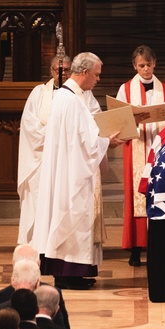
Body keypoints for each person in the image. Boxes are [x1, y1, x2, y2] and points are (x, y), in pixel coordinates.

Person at [24, 51, 124, 289]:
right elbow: (86, 142)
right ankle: (69, 273)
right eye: (97, 75)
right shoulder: (72, 101)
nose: (98, 80)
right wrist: (107, 142)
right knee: (73, 219)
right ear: (85, 72)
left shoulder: (66, 97)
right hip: (72, 174)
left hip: (67, 170)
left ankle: (71, 273)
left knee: (68, 221)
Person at [114, 44, 165, 268]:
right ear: (134, 66)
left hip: (160, 147)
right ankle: (136, 248)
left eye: (148, 65)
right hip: (137, 146)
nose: (145, 69)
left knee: (161, 194)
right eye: (141, 65)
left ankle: (159, 245)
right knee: (137, 197)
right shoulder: (125, 89)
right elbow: (117, 118)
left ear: (155, 63)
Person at [15, 52, 71, 249]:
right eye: (58, 70)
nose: (62, 74)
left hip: (66, 161)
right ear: (51, 71)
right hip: (41, 159)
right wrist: (55, 133)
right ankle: (36, 245)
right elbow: (29, 124)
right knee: (38, 201)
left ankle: (59, 245)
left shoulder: (79, 94)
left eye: (66, 71)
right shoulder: (39, 93)